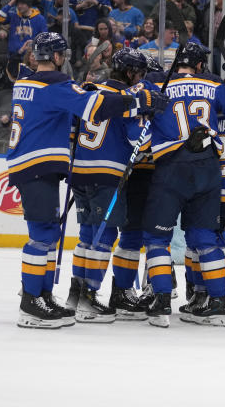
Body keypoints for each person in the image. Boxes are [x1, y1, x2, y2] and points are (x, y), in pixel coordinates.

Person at [7, 32, 165, 329]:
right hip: (40, 164)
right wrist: (139, 101)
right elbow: (99, 108)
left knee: (51, 234)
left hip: (48, 166)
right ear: (55, 56)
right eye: (62, 54)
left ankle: (43, 294)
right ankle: (31, 302)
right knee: (43, 235)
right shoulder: (54, 84)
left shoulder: (26, 81)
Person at [138, 42, 225, 327]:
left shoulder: (158, 84)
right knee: (206, 238)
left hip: (172, 168)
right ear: (198, 65)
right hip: (208, 165)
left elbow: (140, 123)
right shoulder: (213, 85)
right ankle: (219, 304)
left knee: (157, 238)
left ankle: (161, 303)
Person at [66, 49, 151, 322]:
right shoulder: (127, 100)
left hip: (79, 173)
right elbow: (141, 141)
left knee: (86, 236)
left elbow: (72, 130)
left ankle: (75, 293)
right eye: (139, 74)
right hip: (107, 176)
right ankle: (90, 298)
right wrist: (148, 120)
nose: (141, 79)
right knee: (104, 237)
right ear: (129, 73)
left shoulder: (89, 91)